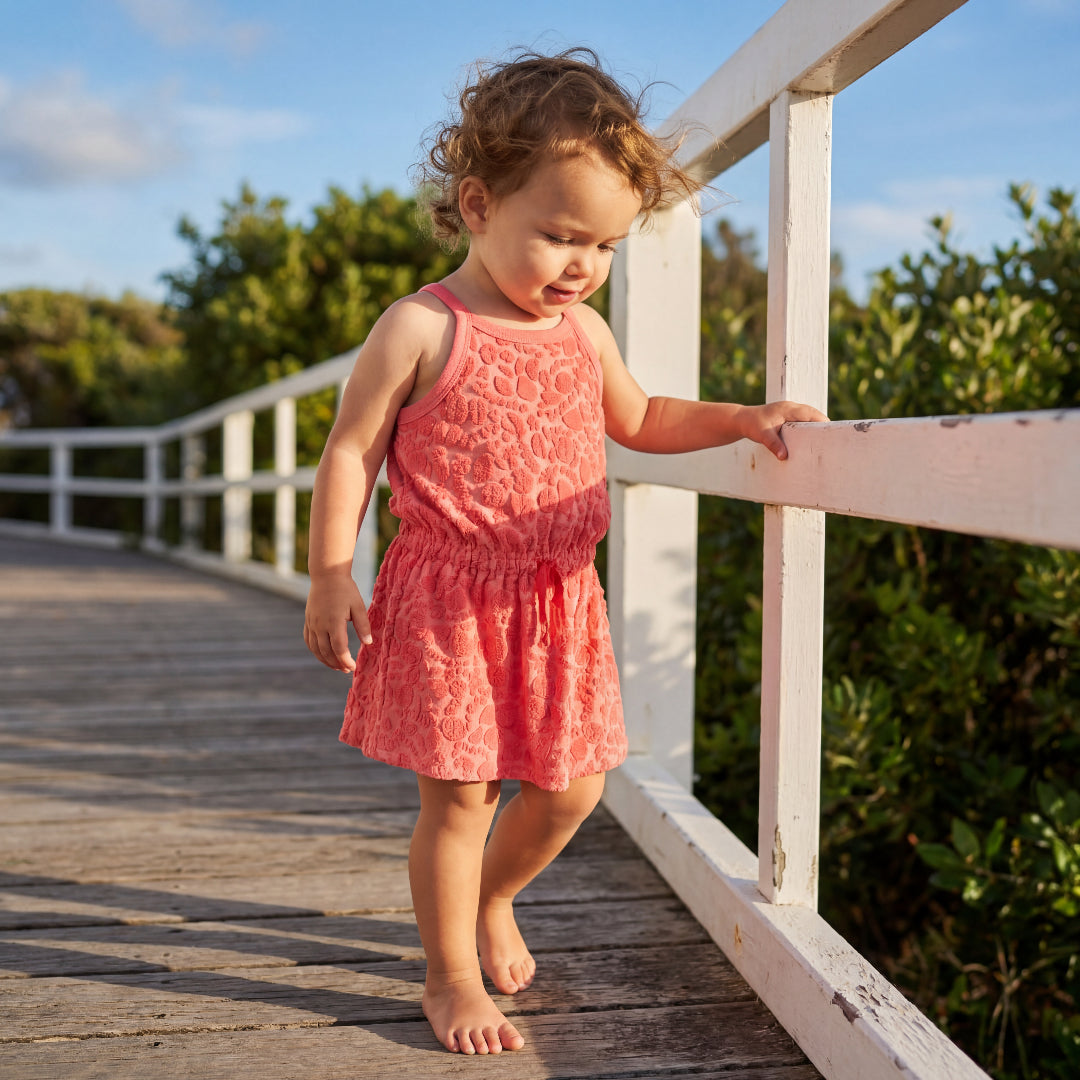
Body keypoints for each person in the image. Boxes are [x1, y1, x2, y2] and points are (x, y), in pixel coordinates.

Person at [303, 48, 827, 1057]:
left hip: (559, 601)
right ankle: (450, 974)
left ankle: (496, 896)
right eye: (558, 235)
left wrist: (741, 417)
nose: (582, 266)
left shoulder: (582, 332)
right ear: (474, 204)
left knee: (576, 785)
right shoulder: (420, 325)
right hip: (450, 601)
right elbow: (350, 454)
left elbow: (642, 417)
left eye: (607, 247)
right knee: (460, 797)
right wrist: (333, 570)